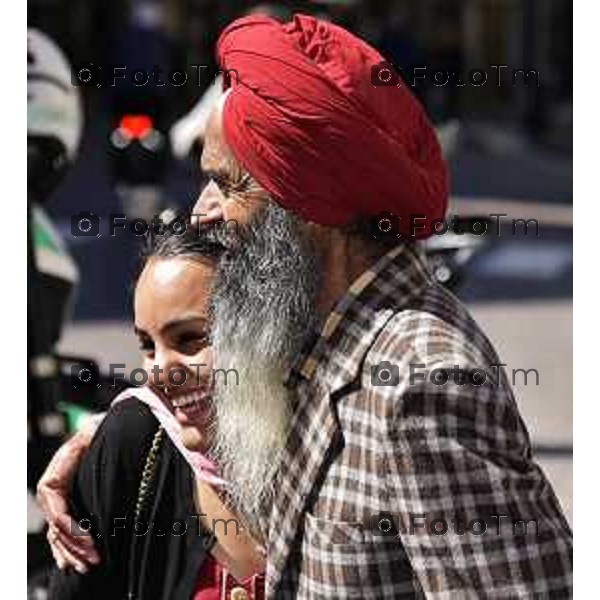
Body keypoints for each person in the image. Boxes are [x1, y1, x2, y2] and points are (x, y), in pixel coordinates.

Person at [39, 13, 573, 598]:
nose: (202, 213)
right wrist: (116, 435)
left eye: (231, 185)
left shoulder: (420, 381)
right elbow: (224, 400)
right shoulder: (322, 333)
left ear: (309, 206)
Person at [47, 219, 266, 599]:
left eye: (190, 338)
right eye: (148, 346)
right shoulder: (132, 438)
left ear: (265, 331)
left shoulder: (342, 446)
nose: (160, 373)